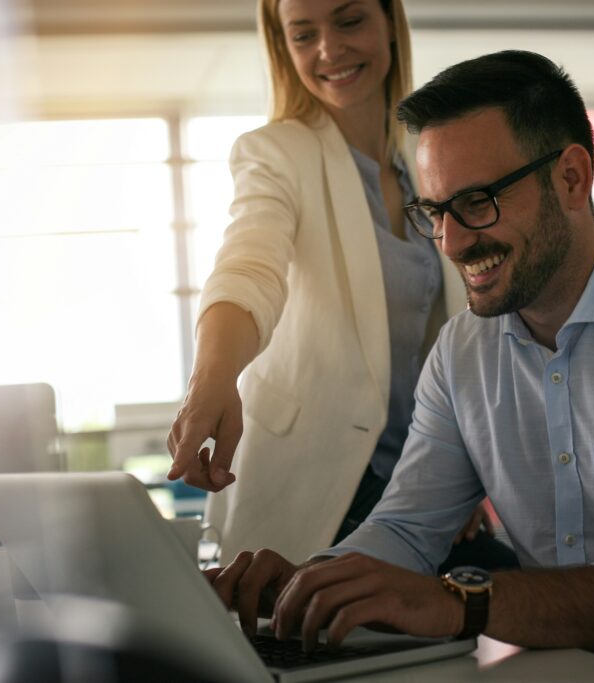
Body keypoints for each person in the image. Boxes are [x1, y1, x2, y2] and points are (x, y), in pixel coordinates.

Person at [203, 50, 594, 683]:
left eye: (477, 201)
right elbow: (404, 529)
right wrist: (312, 583)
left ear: (570, 178)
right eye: (434, 212)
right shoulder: (461, 358)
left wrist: (462, 603)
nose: (452, 243)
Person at [165, 0, 517, 571]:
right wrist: (212, 377)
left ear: (389, 25)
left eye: (349, 21)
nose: (329, 50)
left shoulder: (426, 159)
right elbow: (248, 266)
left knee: (510, 604)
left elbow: (463, 338)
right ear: (284, 48)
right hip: (315, 486)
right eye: (304, 35)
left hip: (420, 491)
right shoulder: (277, 152)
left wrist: (464, 473)